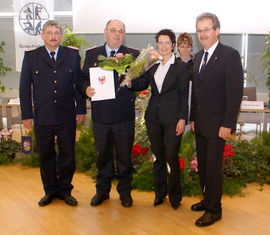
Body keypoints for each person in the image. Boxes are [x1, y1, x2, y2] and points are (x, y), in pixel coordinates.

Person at [19, 20, 86, 207]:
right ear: (42, 36)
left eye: (57, 32)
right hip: (43, 116)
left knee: (67, 155)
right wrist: (27, 114)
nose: (53, 36)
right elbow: (25, 87)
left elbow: (78, 84)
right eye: (49, 32)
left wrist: (80, 109)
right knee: (46, 155)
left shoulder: (72, 55)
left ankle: (65, 190)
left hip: (66, 116)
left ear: (61, 36)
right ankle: (49, 191)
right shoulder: (32, 56)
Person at [78, 19, 139, 208]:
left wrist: (132, 83)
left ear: (124, 34)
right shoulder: (92, 54)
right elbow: (81, 80)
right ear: (105, 32)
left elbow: (143, 81)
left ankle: (125, 192)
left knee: (124, 157)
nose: (117, 34)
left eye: (121, 31)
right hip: (101, 117)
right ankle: (102, 191)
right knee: (102, 156)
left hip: (124, 117)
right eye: (113, 30)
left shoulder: (133, 55)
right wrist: (86, 89)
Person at [189, 13, 243, 226]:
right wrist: (193, 117)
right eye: (199, 30)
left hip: (218, 124)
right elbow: (196, 92)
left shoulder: (229, 55)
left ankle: (214, 209)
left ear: (217, 30)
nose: (202, 33)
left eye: (206, 29)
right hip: (201, 123)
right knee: (203, 165)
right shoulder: (197, 57)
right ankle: (207, 198)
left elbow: (234, 93)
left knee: (213, 167)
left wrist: (227, 123)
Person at [131, 29, 189, 209]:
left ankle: (175, 196)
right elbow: (142, 84)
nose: (163, 46)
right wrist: (130, 80)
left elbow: (184, 94)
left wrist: (182, 118)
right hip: (153, 118)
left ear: (173, 45)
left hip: (173, 119)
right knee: (158, 157)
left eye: (167, 42)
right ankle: (159, 193)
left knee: (171, 157)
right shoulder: (153, 65)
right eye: (160, 42)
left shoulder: (180, 66)